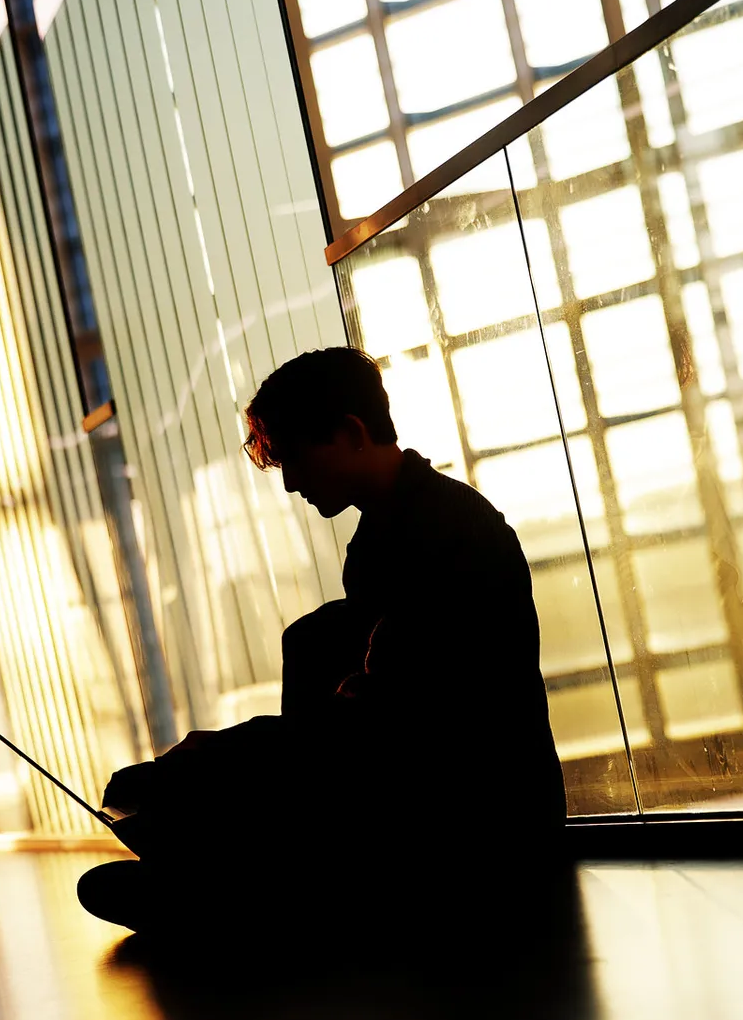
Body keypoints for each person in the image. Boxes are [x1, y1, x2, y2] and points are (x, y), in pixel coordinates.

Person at [77, 347, 565, 935]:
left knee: (166, 817)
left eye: (297, 457)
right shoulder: (390, 536)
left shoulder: (449, 532)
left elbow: (389, 721)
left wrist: (226, 753)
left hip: (481, 821)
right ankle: (238, 883)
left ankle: (241, 890)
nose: (291, 483)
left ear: (351, 432)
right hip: (432, 793)